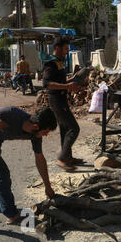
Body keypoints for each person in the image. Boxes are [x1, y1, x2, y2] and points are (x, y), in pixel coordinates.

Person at [0, 107, 57, 224]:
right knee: (1, 174)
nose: (45, 135)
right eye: (45, 132)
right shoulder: (11, 113)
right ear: (36, 127)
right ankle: (11, 214)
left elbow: (40, 159)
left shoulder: (35, 135)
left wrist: (48, 186)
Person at [42, 37, 83, 172]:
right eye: (65, 49)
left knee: (65, 128)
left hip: (61, 99)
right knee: (74, 129)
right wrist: (66, 86)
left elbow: (60, 80)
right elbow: (47, 84)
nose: (67, 51)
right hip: (56, 100)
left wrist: (72, 79)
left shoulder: (59, 62)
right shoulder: (51, 62)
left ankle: (68, 157)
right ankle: (62, 158)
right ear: (58, 48)